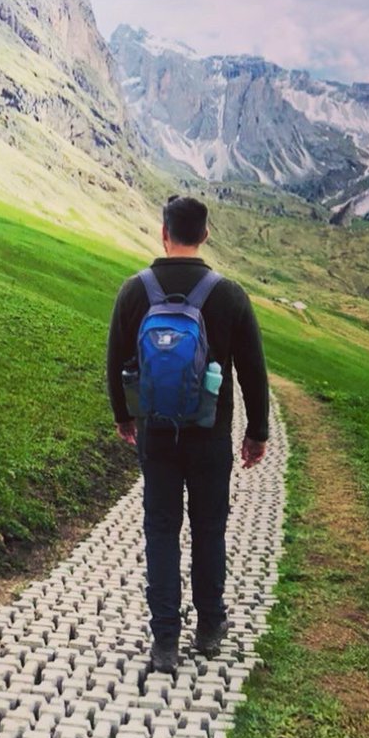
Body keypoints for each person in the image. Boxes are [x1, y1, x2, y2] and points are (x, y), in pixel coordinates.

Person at [106, 195, 269, 673]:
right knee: (208, 528)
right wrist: (256, 432)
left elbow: (116, 362)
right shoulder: (229, 294)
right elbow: (253, 371)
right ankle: (210, 627)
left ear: (164, 233)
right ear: (205, 235)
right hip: (210, 435)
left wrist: (124, 417)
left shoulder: (135, 290)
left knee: (160, 530)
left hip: (156, 433)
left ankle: (164, 641)